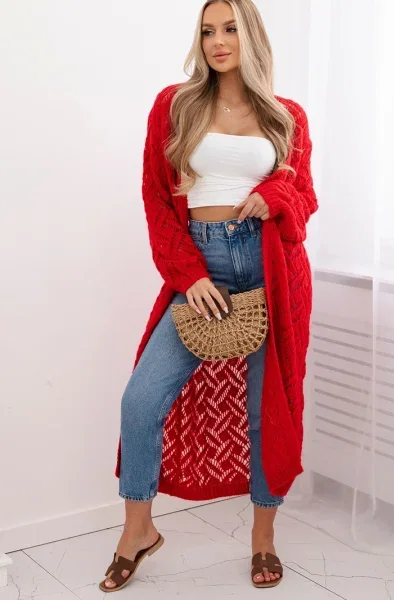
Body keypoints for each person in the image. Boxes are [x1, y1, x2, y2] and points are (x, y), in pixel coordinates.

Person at [99, 0, 318, 592]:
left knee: (267, 410)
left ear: (252, 36)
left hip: (272, 271)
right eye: (207, 31)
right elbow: (155, 195)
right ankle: (138, 531)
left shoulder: (287, 117)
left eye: (230, 29)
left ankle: (263, 537)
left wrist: (276, 196)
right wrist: (188, 274)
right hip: (202, 268)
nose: (218, 41)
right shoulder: (176, 105)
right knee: (141, 401)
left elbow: (305, 197)